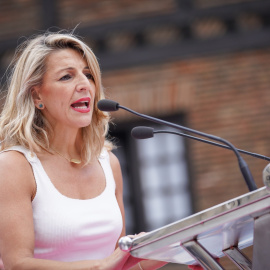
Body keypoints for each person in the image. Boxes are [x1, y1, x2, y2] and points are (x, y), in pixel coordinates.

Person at [0, 31, 168, 269]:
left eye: (88, 75)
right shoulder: (14, 166)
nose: (84, 85)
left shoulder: (108, 163)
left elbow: (115, 262)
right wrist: (99, 267)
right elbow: (18, 264)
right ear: (37, 94)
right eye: (67, 77)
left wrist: (158, 254)